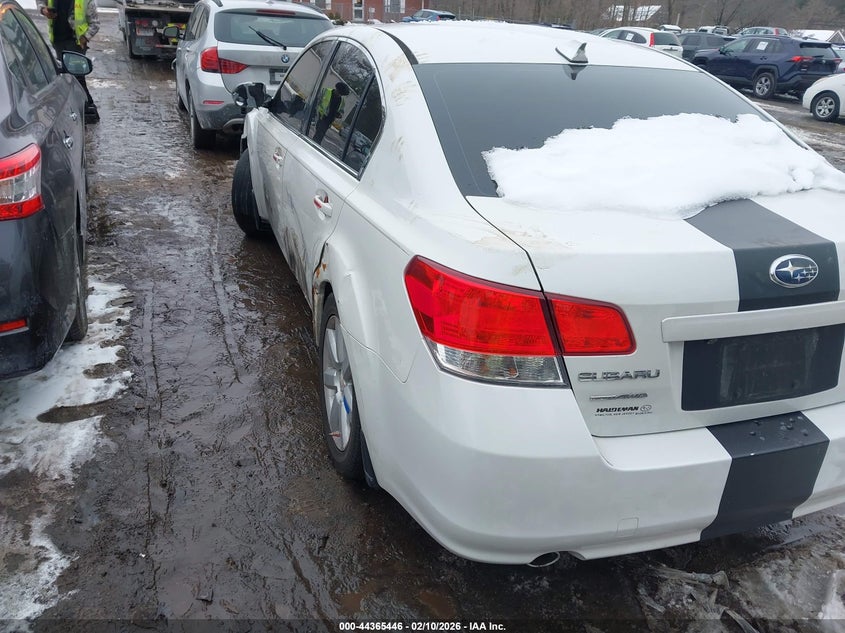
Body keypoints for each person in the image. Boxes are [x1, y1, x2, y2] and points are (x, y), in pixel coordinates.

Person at [37, 0, 100, 123]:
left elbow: (95, 24)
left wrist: (85, 37)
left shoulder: (86, 1)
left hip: (75, 44)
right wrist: (43, 10)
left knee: (77, 79)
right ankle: (72, 111)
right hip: (58, 42)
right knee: (64, 78)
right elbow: (40, 2)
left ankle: (88, 110)